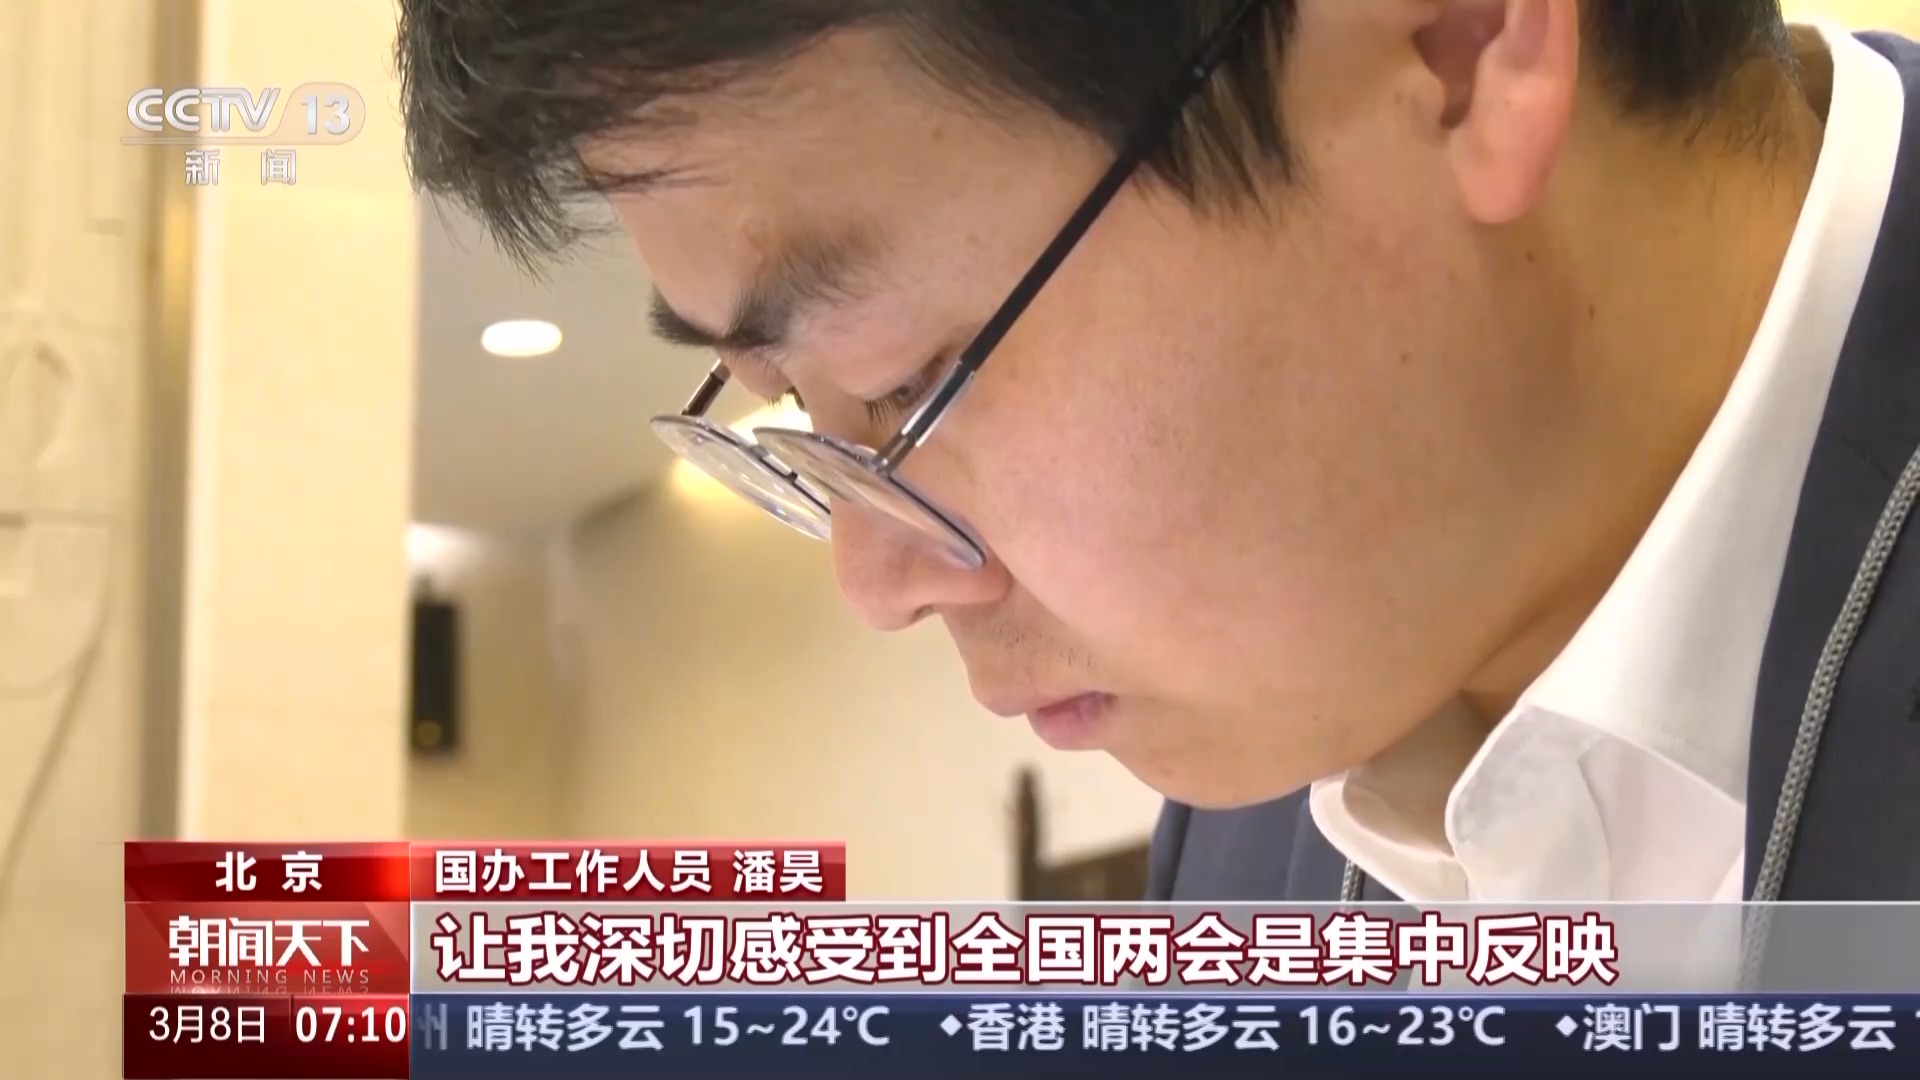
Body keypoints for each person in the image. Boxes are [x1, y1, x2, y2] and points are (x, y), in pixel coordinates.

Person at [396, 1, 1920, 915]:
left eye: (904, 380)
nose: (876, 577)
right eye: (785, 404)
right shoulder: (1278, 766)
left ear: (1457, 46)